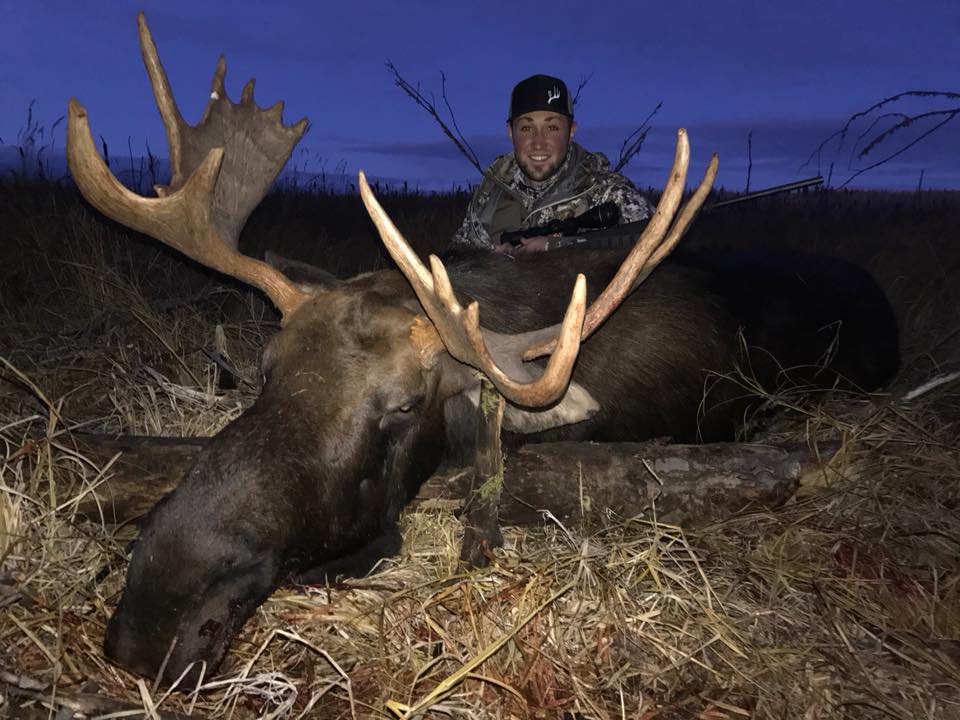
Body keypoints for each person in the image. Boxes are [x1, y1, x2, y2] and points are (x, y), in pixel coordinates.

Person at [449, 74, 654, 256]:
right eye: (527, 128)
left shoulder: (607, 191)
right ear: (510, 132)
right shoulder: (490, 192)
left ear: (571, 131)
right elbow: (456, 255)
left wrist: (557, 246)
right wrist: (490, 257)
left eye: (552, 127)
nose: (539, 143)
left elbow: (662, 238)